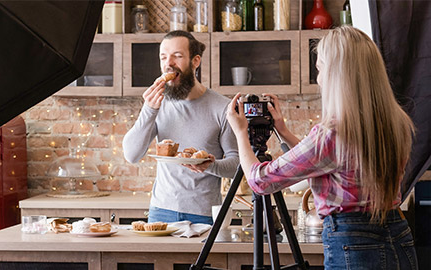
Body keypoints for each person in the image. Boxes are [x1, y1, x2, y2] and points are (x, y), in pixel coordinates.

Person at [226, 26, 417, 269]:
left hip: (353, 242)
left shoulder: (331, 134)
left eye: (320, 69)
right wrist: (283, 130)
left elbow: (261, 181)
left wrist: (241, 132)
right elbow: (329, 162)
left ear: (337, 75)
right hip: (398, 235)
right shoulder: (396, 122)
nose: (319, 78)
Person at [123, 31, 239, 225]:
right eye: (163, 57)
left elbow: (237, 164)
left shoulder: (223, 108)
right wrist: (148, 110)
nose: (169, 63)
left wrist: (211, 166)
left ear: (195, 61)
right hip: (160, 213)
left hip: (205, 214)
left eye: (177, 56)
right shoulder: (157, 104)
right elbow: (131, 155)